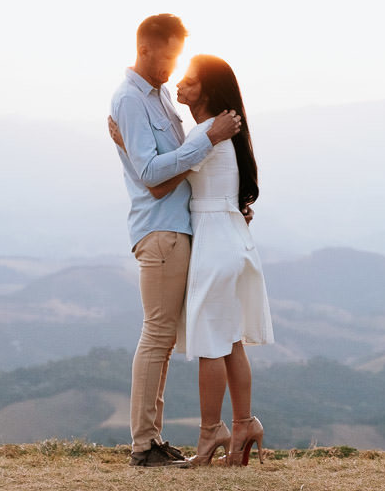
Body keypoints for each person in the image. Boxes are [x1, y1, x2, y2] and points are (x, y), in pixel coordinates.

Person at [111, 54, 274, 467]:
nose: (179, 84)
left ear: (208, 90)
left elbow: (160, 181)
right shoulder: (219, 133)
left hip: (214, 244)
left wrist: (127, 145)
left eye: (190, 80)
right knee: (230, 339)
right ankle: (244, 423)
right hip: (231, 237)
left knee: (209, 344)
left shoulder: (207, 134)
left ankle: (211, 432)